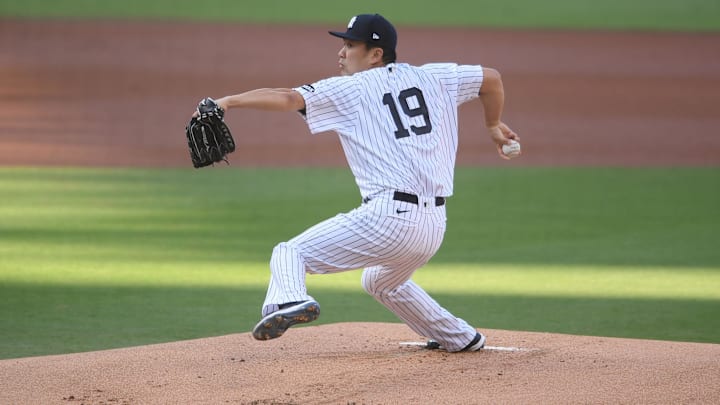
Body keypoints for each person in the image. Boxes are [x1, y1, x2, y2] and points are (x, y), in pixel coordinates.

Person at [199, 13, 520, 352]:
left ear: (375, 54)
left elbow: (288, 97)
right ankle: (460, 337)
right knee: (380, 281)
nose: (341, 52)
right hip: (434, 226)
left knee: (290, 253)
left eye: (350, 45)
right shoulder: (434, 76)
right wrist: (494, 125)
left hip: (389, 219)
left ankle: (288, 302)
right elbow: (491, 78)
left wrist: (228, 102)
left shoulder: (350, 89)